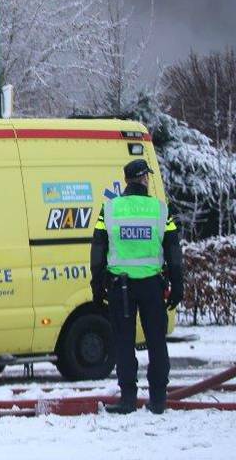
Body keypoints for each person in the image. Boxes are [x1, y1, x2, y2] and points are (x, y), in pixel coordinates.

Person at [91, 158, 184, 415]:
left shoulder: (109, 210)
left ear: (126, 180)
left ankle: (128, 399)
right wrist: (177, 285)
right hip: (152, 287)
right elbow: (174, 251)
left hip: (120, 288)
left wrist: (97, 285)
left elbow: (98, 249)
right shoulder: (160, 210)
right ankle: (158, 400)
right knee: (156, 342)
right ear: (143, 178)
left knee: (124, 343)